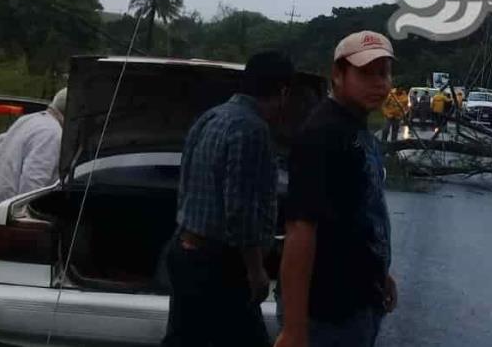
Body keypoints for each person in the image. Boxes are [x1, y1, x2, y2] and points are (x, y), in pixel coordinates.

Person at [162, 51, 294, 347]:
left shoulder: (211, 117)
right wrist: (256, 270)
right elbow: (240, 209)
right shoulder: (252, 130)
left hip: (185, 251)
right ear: (283, 92)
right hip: (220, 265)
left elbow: (186, 185)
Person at [275, 31, 398, 347]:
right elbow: (300, 231)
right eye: (366, 73)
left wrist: (379, 273)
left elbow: (359, 216)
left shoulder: (355, 127)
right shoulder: (322, 135)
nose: (379, 83)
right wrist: (294, 328)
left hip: (358, 302)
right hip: (327, 315)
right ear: (338, 75)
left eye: (384, 72)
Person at [0, 88, 66, 226]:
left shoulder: (29, 119)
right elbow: (34, 180)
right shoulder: (53, 134)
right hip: (6, 212)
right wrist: (25, 219)